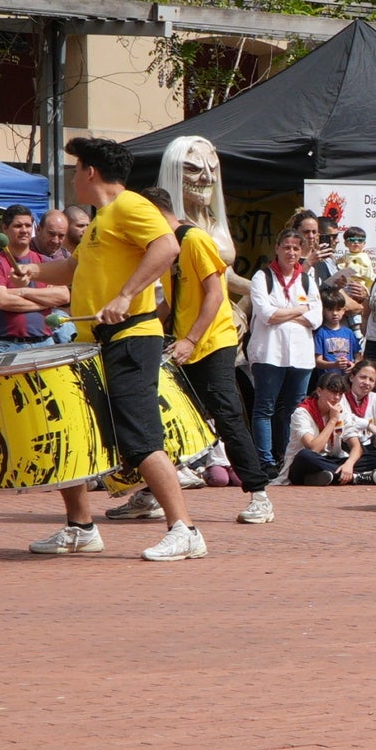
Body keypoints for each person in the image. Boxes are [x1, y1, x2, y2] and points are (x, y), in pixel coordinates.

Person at [26, 138, 205, 560]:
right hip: (93, 344)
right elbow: (74, 269)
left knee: (141, 437)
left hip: (131, 338)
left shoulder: (131, 206)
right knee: (72, 431)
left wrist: (126, 295)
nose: (71, 176)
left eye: (75, 168)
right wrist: (33, 272)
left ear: (90, 172)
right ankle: (81, 529)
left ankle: (186, 529)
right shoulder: (101, 219)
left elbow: (167, 246)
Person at [115, 192, 276, 528]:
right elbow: (173, 304)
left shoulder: (195, 240)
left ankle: (259, 495)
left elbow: (216, 295)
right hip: (183, 346)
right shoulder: (167, 248)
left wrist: (190, 339)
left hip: (212, 345)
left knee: (228, 417)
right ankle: (152, 492)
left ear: (156, 212)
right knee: (162, 420)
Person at [245, 229, 322, 475]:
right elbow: (267, 315)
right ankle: (266, 461)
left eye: (296, 248)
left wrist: (284, 313)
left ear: (302, 252)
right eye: (286, 247)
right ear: (277, 248)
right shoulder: (263, 277)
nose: (291, 252)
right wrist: (300, 310)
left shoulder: (307, 279)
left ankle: (288, 458)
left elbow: (317, 317)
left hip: (300, 355)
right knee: (265, 407)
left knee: (294, 408)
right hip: (269, 352)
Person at [283, 367, 376, 485]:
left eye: (340, 394)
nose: (337, 398)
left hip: (331, 459)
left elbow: (356, 446)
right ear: (319, 391)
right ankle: (357, 477)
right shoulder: (302, 412)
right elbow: (314, 448)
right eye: (333, 392)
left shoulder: (341, 412)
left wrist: (349, 464)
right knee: (305, 456)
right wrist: (333, 420)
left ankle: (328, 476)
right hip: (306, 464)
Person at [0, 203, 66, 350]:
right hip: (8, 345)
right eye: (18, 226)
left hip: (44, 343)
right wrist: (46, 303)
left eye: (28, 225)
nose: (24, 230)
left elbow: (64, 295)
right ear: (5, 228)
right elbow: (3, 301)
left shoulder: (45, 262)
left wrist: (23, 292)